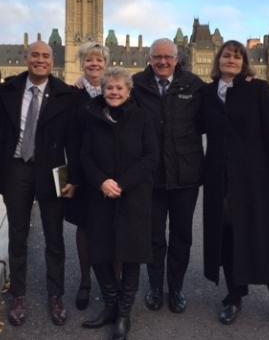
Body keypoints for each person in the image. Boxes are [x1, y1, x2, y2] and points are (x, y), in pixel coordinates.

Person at [200, 40, 269, 335]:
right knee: (228, 237)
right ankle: (235, 296)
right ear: (217, 60)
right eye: (226, 55)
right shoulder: (207, 93)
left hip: (257, 179)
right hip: (221, 179)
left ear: (244, 62)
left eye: (237, 56)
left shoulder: (258, 89)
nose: (231, 60)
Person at [0, 41, 79, 327]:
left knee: (54, 237)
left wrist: (72, 179)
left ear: (52, 61)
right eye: (35, 55)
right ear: (27, 58)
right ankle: (18, 294)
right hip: (17, 168)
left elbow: (73, 143)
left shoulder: (65, 95)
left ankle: (56, 295)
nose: (40, 60)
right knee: (18, 235)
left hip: (52, 170)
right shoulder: (9, 90)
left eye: (46, 56)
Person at [81, 67, 158, 340]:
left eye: (119, 88)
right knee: (100, 253)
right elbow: (85, 157)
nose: (113, 92)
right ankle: (110, 306)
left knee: (131, 255)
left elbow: (150, 157)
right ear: (103, 90)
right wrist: (102, 181)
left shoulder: (143, 118)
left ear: (128, 91)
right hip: (100, 194)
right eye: (109, 88)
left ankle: (124, 314)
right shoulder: (92, 116)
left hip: (133, 195)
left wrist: (122, 183)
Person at [132, 38, 204, 313]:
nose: (162, 62)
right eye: (157, 57)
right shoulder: (137, 84)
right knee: (154, 237)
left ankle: (175, 289)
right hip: (150, 177)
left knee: (181, 236)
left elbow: (223, 111)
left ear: (177, 59)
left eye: (168, 57)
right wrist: (81, 87)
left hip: (185, 176)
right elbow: (111, 102)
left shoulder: (194, 85)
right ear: (149, 58)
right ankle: (154, 287)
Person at [64, 41, 110, 310]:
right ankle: (85, 282)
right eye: (89, 61)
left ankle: (112, 285)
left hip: (110, 172)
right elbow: (64, 137)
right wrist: (68, 177)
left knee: (114, 226)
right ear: (82, 64)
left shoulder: (116, 89)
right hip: (81, 171)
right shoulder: (71, 93)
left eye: (99, 60)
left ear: (106, 64)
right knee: (85, 227)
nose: (94, 64)